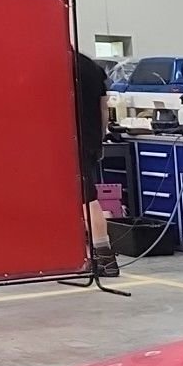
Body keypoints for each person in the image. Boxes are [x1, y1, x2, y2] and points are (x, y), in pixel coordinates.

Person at [72, 47, 115, 276]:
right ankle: (92, 256)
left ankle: (106, 259)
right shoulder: (91, 67)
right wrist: (99, 139)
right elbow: (103, 109)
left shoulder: (57, 67)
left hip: (67, 142)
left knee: (87, 199)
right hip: (88, 140)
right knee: (84, 198)